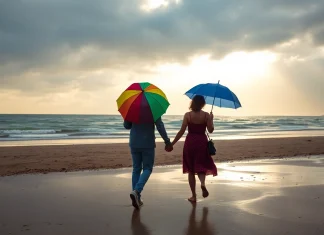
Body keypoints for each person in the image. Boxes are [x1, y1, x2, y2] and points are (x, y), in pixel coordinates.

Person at [171, 95, 217, 202]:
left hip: (190, 142)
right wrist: (211, 119)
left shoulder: (188, 115)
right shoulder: (206, 115)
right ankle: (203, 183)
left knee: (191, 170)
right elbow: (210, 130)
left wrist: (172, 143)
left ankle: (193, 196)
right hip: (202, 142)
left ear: (192, 103)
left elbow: (181, 131)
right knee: (201, 166)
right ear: (203, 104)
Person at [124, 117, 172, 209]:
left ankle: (137, 197)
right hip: (148, 143)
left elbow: (126, 126)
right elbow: (160, 126)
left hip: (134, 142)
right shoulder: (153, 108)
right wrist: (167, 141)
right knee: (147, 169)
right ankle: (137, 191)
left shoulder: (132, 107)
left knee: (136, 169)